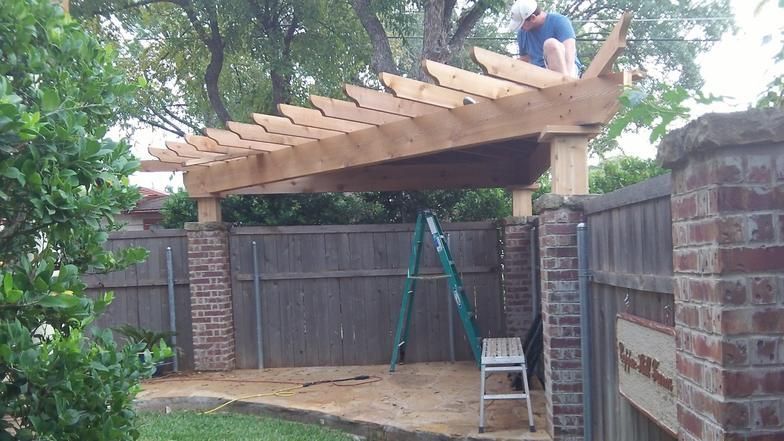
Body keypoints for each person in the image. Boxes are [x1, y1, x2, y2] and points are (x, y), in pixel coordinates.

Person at [505, 0, 581, 78]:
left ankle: (563, 84)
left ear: (533, 18)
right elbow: (525, 60)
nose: (521, 28)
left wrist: (569, 81)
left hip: (567, 70)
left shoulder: (559, 21)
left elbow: (570, 51)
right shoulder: (522, 33)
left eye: (522, 24)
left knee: (550, 44)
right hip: (540, 74)